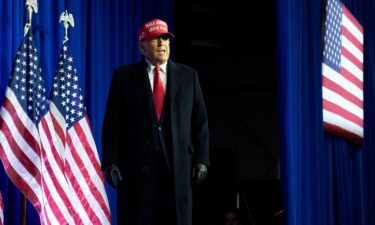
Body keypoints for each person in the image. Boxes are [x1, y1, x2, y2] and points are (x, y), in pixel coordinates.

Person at [101, 18, 210, 225]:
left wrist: (203, 160)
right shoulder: (124, 77)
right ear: (142, 47)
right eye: (155, 40)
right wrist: (110, 161)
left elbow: (200, 122)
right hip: (136, 169)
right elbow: (112, 124)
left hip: (178, 168)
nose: (162, 44)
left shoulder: (188, 76)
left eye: (165, 39)